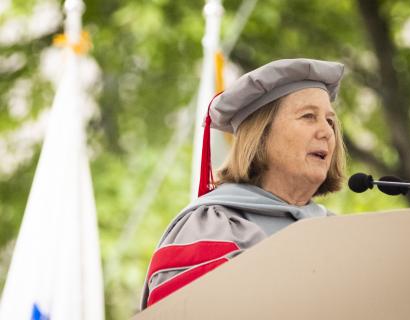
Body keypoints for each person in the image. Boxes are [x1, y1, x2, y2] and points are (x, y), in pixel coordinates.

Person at [140, 58, 346, 309]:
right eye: (308, 116)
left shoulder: (337, 230)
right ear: (261, 134)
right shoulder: (213, 225)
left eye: (330, 121)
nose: (326, 132)